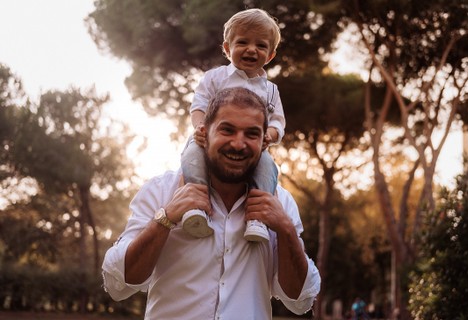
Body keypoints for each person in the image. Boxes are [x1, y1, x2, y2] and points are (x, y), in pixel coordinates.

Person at [102, 87, 321, 319]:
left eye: (252, 134)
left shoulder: (281, 203)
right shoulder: (161, 190)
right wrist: (165, 219)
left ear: (264, 141)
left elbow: (299, 300)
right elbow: (120, 283)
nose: (239, 144)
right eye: (227, 130)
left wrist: (285, 229)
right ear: (204, 133)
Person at [181, 8, 286, 243]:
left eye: (261, 45)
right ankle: (196, 206)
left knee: (268, 167)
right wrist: (201, 128)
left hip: (253, 150)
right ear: (227, 48)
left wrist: (269, 134)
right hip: (207, 141)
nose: (251, 49)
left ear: (269, 55)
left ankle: (256, 218)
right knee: (191, 157)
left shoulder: (271, 91)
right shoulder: (215, 78)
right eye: (243, 42)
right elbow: (198, 106)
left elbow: (278, 121)